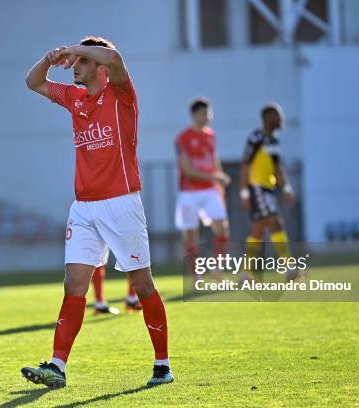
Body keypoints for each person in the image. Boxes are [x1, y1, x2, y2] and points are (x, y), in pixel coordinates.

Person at [21, 36, 173, 388]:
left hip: (122, 203)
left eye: (82, 62)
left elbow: (116, 56)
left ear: (99, 68)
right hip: (84, 208)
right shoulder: (74, 98)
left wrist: (76, 48)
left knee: (142, 284)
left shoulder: (121, 95)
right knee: (74, 285)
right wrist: (50, 57)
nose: (76, 66)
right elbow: (33, 82)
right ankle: (57, 366)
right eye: (75, 63)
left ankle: (162, 364)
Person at [175, 98, 231, 281]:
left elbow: (215, 162)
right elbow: (187, 170)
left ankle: (216, 270)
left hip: (209, 191)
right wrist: (215, 177)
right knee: (190, 234)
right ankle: (196, 274)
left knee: (222, 229)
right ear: (193, 115)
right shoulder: (183, 138)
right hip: (188, 192)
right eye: (203, 113)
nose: (207, 117)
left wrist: (219, 184)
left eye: (209, 113)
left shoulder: (211, 135)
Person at [239, 103, 296, 281]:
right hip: (257, 188)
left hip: (269, 189)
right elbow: (245, 164)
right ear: (268, 117)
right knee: (275, 222)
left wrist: (286, 188)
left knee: (258, 228)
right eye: (277, 115)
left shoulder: (274, 141)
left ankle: (246, 273)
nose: (281, 119)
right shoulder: (256, 138)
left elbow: (278, 167)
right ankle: (289, 267)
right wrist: (244, 192)